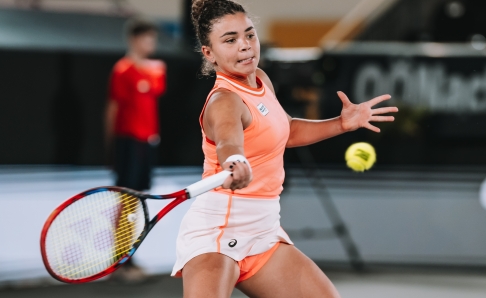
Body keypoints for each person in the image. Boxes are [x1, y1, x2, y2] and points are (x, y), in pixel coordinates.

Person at [171, 1, 398, 297]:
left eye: (249, 35)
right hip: (218, 232)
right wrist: (235, 162)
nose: (245, 46)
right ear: (209, 54)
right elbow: (229, 142)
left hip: (263, 231)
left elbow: (286, 129)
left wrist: (342, 124)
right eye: (230, 40)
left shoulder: (261, 80)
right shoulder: (224, 101)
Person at [105, 17, 166, 282]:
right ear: (133, 40)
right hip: (128, 142)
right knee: (127, 200)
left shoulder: (157, 69)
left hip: (148, 142)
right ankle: (120, 260)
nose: (150, 43)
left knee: (139, 199)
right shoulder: (122, 70)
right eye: (145, 38)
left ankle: (129, 256)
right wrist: (110, 147)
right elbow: (113, 108)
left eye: (152, 38)